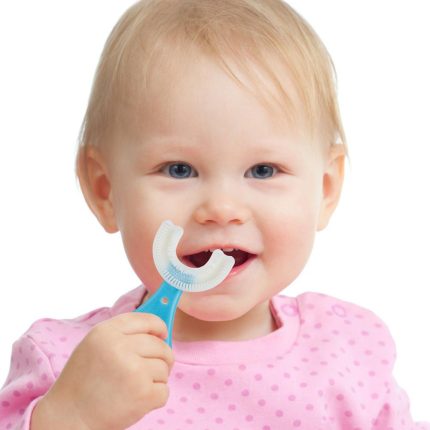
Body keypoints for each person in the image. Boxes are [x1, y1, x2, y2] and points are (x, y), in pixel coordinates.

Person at [0, 0, 428, 429]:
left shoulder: (349, 351)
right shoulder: (66, 363)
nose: (221, 209)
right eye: (178, 169)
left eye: (263, 170)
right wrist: (70, 417)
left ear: (326, 189)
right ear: (105, 190)